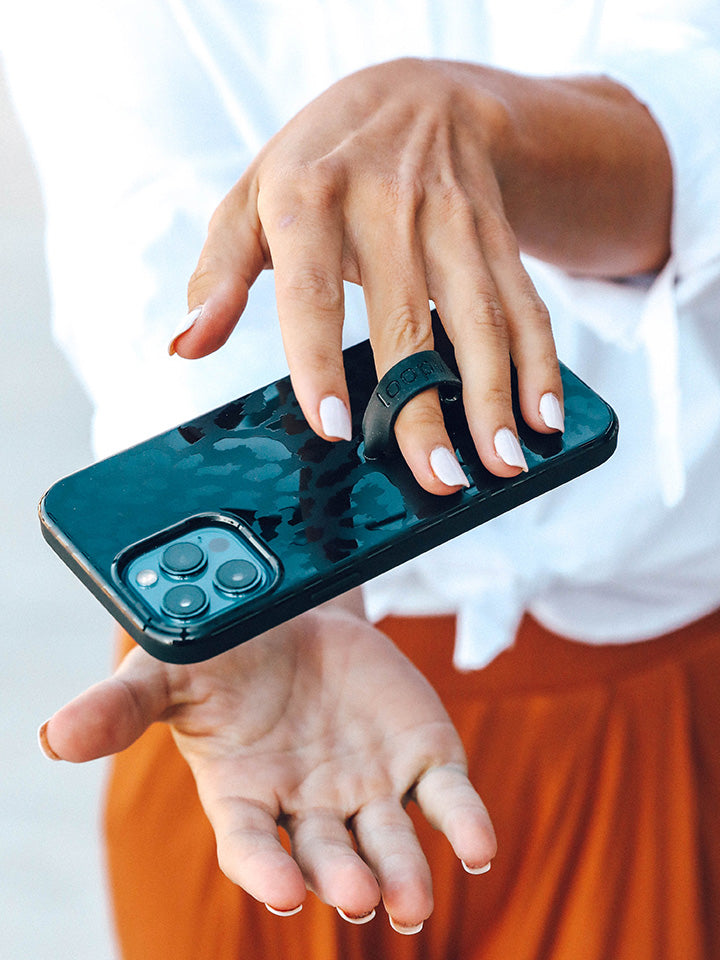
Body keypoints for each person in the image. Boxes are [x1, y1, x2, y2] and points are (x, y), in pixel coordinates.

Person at [4, 1, 720, 956]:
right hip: (262, 717)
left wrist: (495, 132)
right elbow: (151, 229)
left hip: (664, 708)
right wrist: (288, 574)